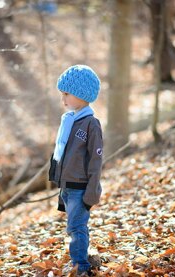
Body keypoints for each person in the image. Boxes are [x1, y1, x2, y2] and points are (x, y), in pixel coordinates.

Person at [49, 64, 103, 275]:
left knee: (76, 227)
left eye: (66, 94)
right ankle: (81, 259)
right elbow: (61, 153)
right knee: (73, 226)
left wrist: (93, 188)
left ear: (81, 94)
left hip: (81, 187)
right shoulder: (69, 122)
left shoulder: (91, 124)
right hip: (67, 185)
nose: (63, 99)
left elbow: (96, 161)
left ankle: (81, 267)